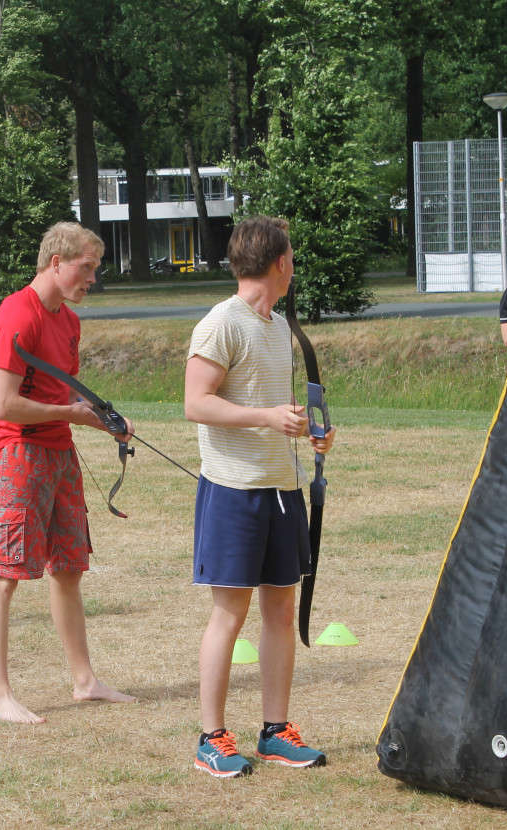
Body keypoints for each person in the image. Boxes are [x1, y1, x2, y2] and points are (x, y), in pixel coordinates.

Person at [183, 216, 336, 778]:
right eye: (292, 256)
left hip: (281, 489)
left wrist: (303, 427)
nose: (294, 267)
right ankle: (211, 737)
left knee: (279, 607)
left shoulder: (276, 327)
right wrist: (267, 418)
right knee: (230, 612)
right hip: (233, 490)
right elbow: (195, 402)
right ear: (280, 263)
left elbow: (273, 407)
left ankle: (275, 732)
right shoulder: (220, 323)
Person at [0, 221, 137, 724]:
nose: (92, 278)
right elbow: (4, 404)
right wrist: (72, 415)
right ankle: (0, 697)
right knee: (6, 574)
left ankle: (85, 681)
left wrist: (103, 420)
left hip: (59, 453)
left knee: (69, 568)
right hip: (16, 454)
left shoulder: (67, 321)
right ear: (56, 263)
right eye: (86, 268)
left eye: (94, 268)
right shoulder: (15, 315)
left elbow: (61, 396)